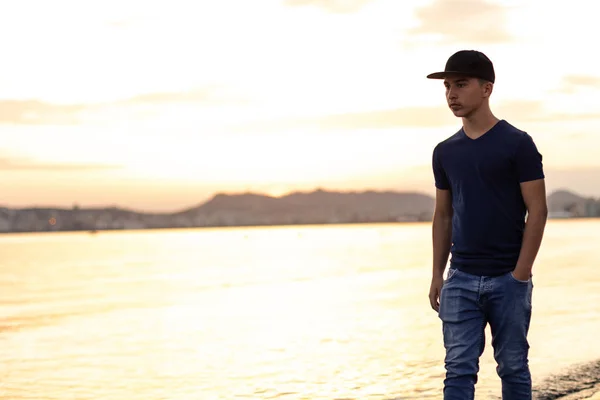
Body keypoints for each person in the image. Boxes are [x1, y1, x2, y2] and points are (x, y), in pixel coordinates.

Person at [426, 50, 548, 400]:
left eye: (460, 84)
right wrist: (438, 273)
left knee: (512, 366)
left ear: (487, 89)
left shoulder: (517, 143)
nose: (451, 94)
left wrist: (521, 274)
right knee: (458, 370)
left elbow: (537, 210)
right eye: (447, 86)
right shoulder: (445, 151)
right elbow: (443, 215)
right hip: (460, 279)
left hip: (508, 278)